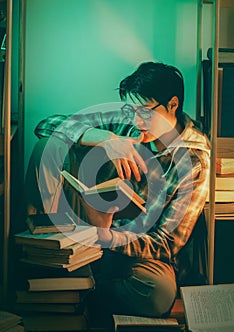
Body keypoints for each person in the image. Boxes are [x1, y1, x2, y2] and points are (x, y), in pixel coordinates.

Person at [24, 62, 210, 317]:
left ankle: (88, 289)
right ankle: (48, 255)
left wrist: (108, 236)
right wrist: (107, 140)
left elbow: (167, 244)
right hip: (82, 226)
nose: (135, 119)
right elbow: (46, 125)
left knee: (158, 294)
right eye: (129, 110)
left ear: (173, 105)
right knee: (48, 147)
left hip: (136, 252)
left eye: (144, 111)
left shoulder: (194, 160)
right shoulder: (127, 124)